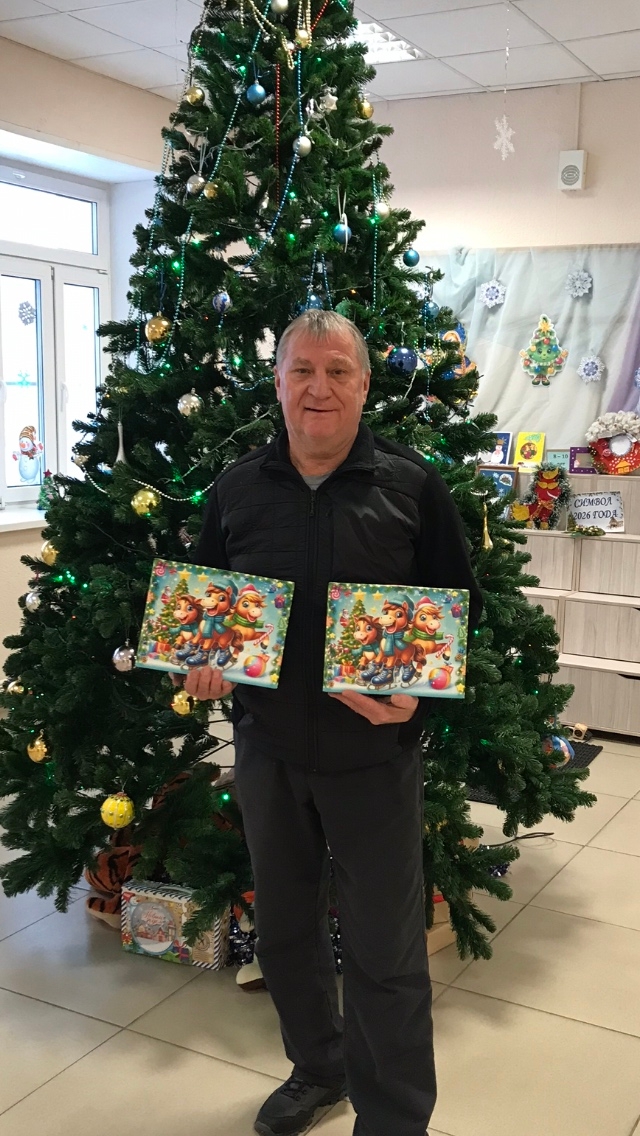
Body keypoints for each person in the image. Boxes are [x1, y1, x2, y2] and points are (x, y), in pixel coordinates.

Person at [185, 310, 483, 1136]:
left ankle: (393, 1120)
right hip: (268, 752)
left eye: (338, 371)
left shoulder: (412, 487)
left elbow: (461, 611)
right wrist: (201, 664)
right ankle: (319, 1071)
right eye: (302, 370)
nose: (319, 388)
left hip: (374, 758)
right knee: (285, 934)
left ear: (363, 384)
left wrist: (423, 697)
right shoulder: (237, 488)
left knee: (386, 954)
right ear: (278, 382)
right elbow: (205, 602)